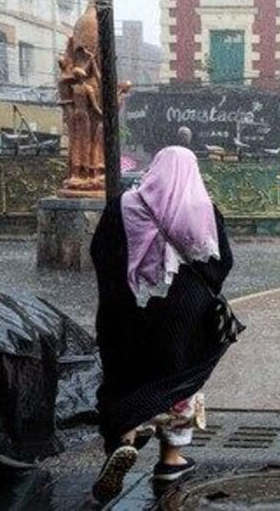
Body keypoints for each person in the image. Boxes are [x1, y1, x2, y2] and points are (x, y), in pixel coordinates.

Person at [89, 146, 234, 503]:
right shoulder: (203, 208)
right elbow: (221, 263)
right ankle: (171, 459)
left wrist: (126, 287)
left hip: (128, 306)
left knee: (125, 370)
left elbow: (101, 252)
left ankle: (123, 435)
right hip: (185, 311)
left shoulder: (122, 205)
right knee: (179, 377)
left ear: (154, 169)